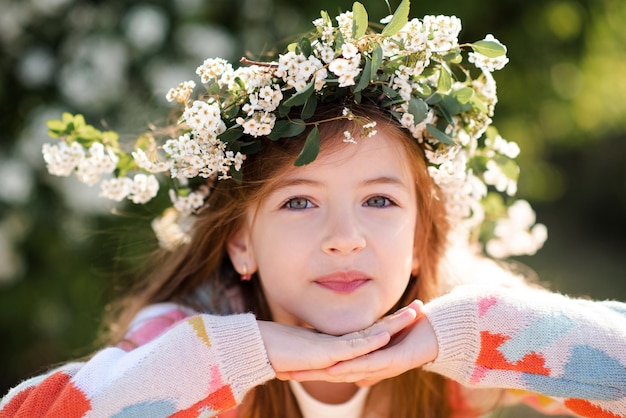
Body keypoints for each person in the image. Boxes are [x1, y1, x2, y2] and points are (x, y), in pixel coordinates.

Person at [2, 1, 625, 417]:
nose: (345, 238)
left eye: (380, 200)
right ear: (241, 243)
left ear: (417, 240)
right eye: (299, 202)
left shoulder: (460, 330)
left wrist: (475, 334)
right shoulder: (184, 343)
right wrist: (245, 355)